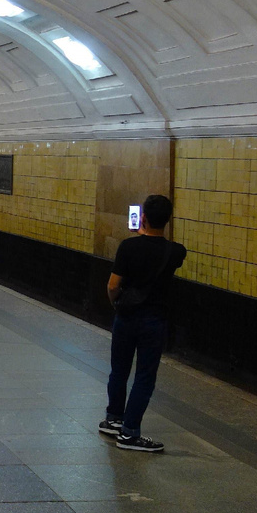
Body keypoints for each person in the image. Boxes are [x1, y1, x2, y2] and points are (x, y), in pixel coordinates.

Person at [101, 194, 187, 453]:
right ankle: (129, 434)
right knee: (144, 377)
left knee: (119, 369)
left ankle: (114, 419)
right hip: (154, 320)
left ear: (144, 218)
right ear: (169, 221)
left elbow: (113, 285)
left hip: (126, 317)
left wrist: (116, 304)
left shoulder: (128, 247)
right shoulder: (176, 252)